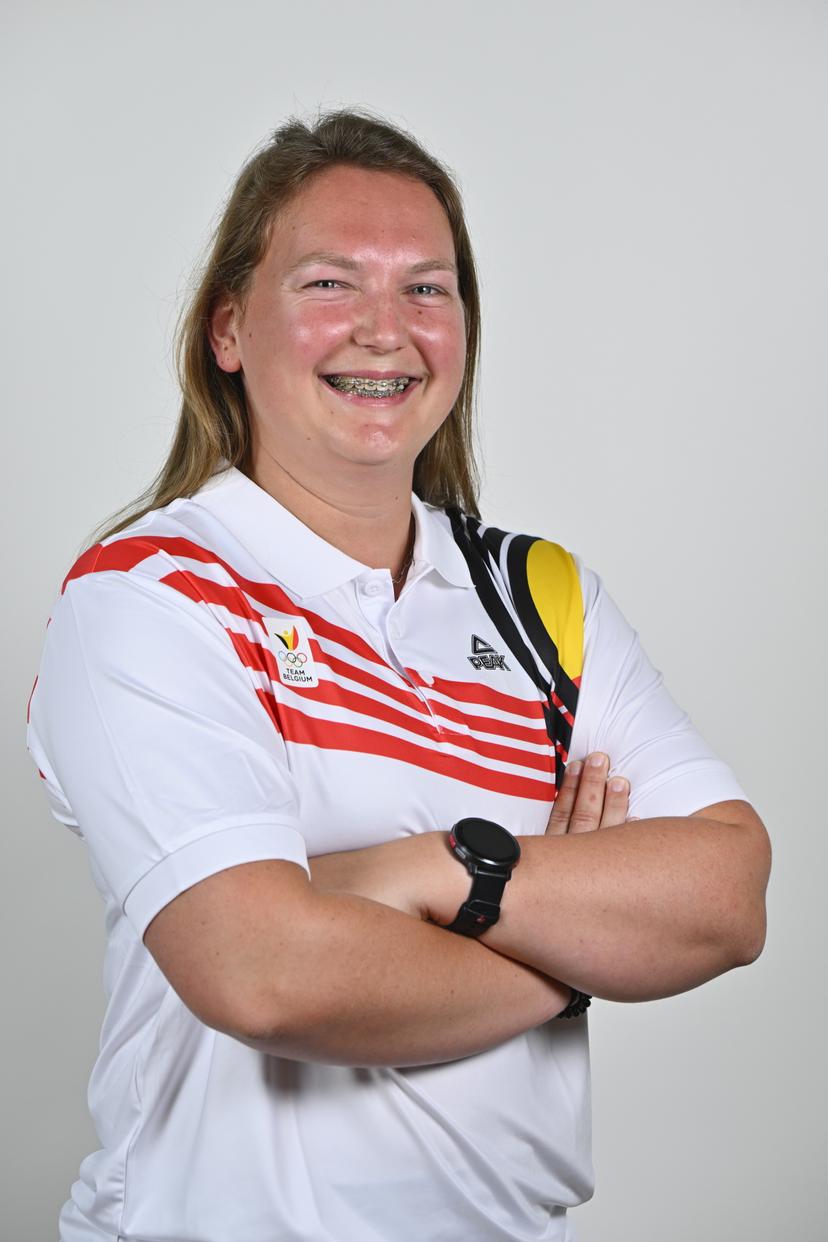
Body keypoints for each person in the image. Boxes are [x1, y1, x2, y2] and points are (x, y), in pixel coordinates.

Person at [27, 108, 771, 1242]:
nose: (386, 330)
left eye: (427, 288)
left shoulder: (541, 599)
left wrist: (429, 873)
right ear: (228, 328)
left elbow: (726, 895)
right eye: (329, 283)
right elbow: (266, 973)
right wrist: (568, 956)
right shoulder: (149, 594)